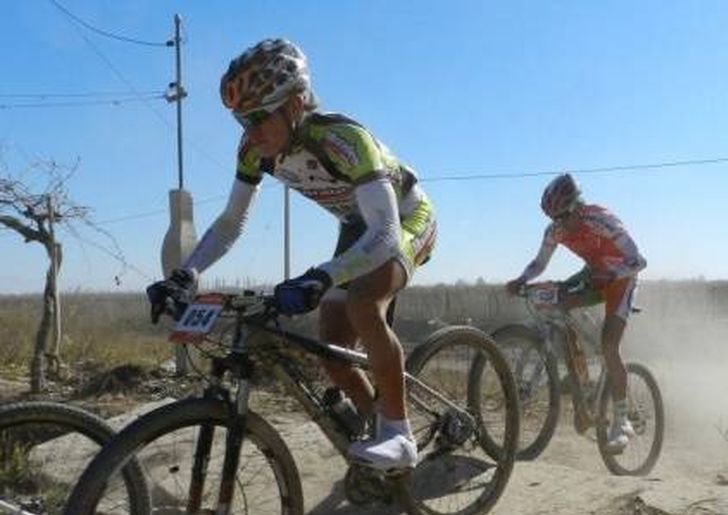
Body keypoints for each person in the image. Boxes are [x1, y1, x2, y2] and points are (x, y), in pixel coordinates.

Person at [147, 39, 437, 471]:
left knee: (363, 303)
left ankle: (399, 435)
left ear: (296, 103)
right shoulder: (254, 151)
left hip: (405, 220)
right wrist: (185, 274)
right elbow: (230, 223)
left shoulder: (343, 140)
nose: (250, 132)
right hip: (356, 227)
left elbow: (386, 232)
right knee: (333, 353)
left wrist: (322, 276)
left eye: (258, 117)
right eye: (241, 120)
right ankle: (374, 428)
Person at [505, 173, 646, 452]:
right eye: (553, 218)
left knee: (609, 346)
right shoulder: (556, 229)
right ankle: (583, 389)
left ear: (578, 207)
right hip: (594, 274)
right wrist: (522, 279)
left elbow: (638, 261)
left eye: (563, 217)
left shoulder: (602, 220)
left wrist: (611, 274)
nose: (559, 224)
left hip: (622, 277)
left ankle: (622, 422)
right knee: (558, 304)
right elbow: (539, 263)